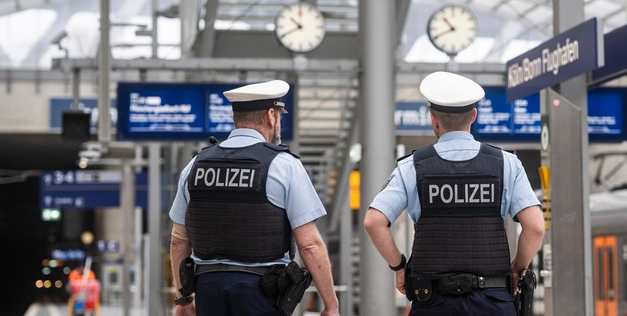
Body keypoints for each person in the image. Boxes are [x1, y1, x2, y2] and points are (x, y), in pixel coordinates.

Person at [364, 71, 545, 316]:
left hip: (433, 301)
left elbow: (374, 222)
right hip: (493, 301)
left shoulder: (412, 166)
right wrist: (517, 268)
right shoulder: (506, 163)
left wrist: (399, 266)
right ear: (473, 116)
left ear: (433, 119)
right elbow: (534, 227)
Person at [169, 80, 339, 316]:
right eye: (279, 115)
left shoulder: (195, 165)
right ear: (271, 116)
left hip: (209, 290)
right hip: (261, 292)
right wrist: (331, 305)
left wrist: (184, 300)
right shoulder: (284, 165)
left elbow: (179, 241)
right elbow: (309, 245)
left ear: (235, 118)